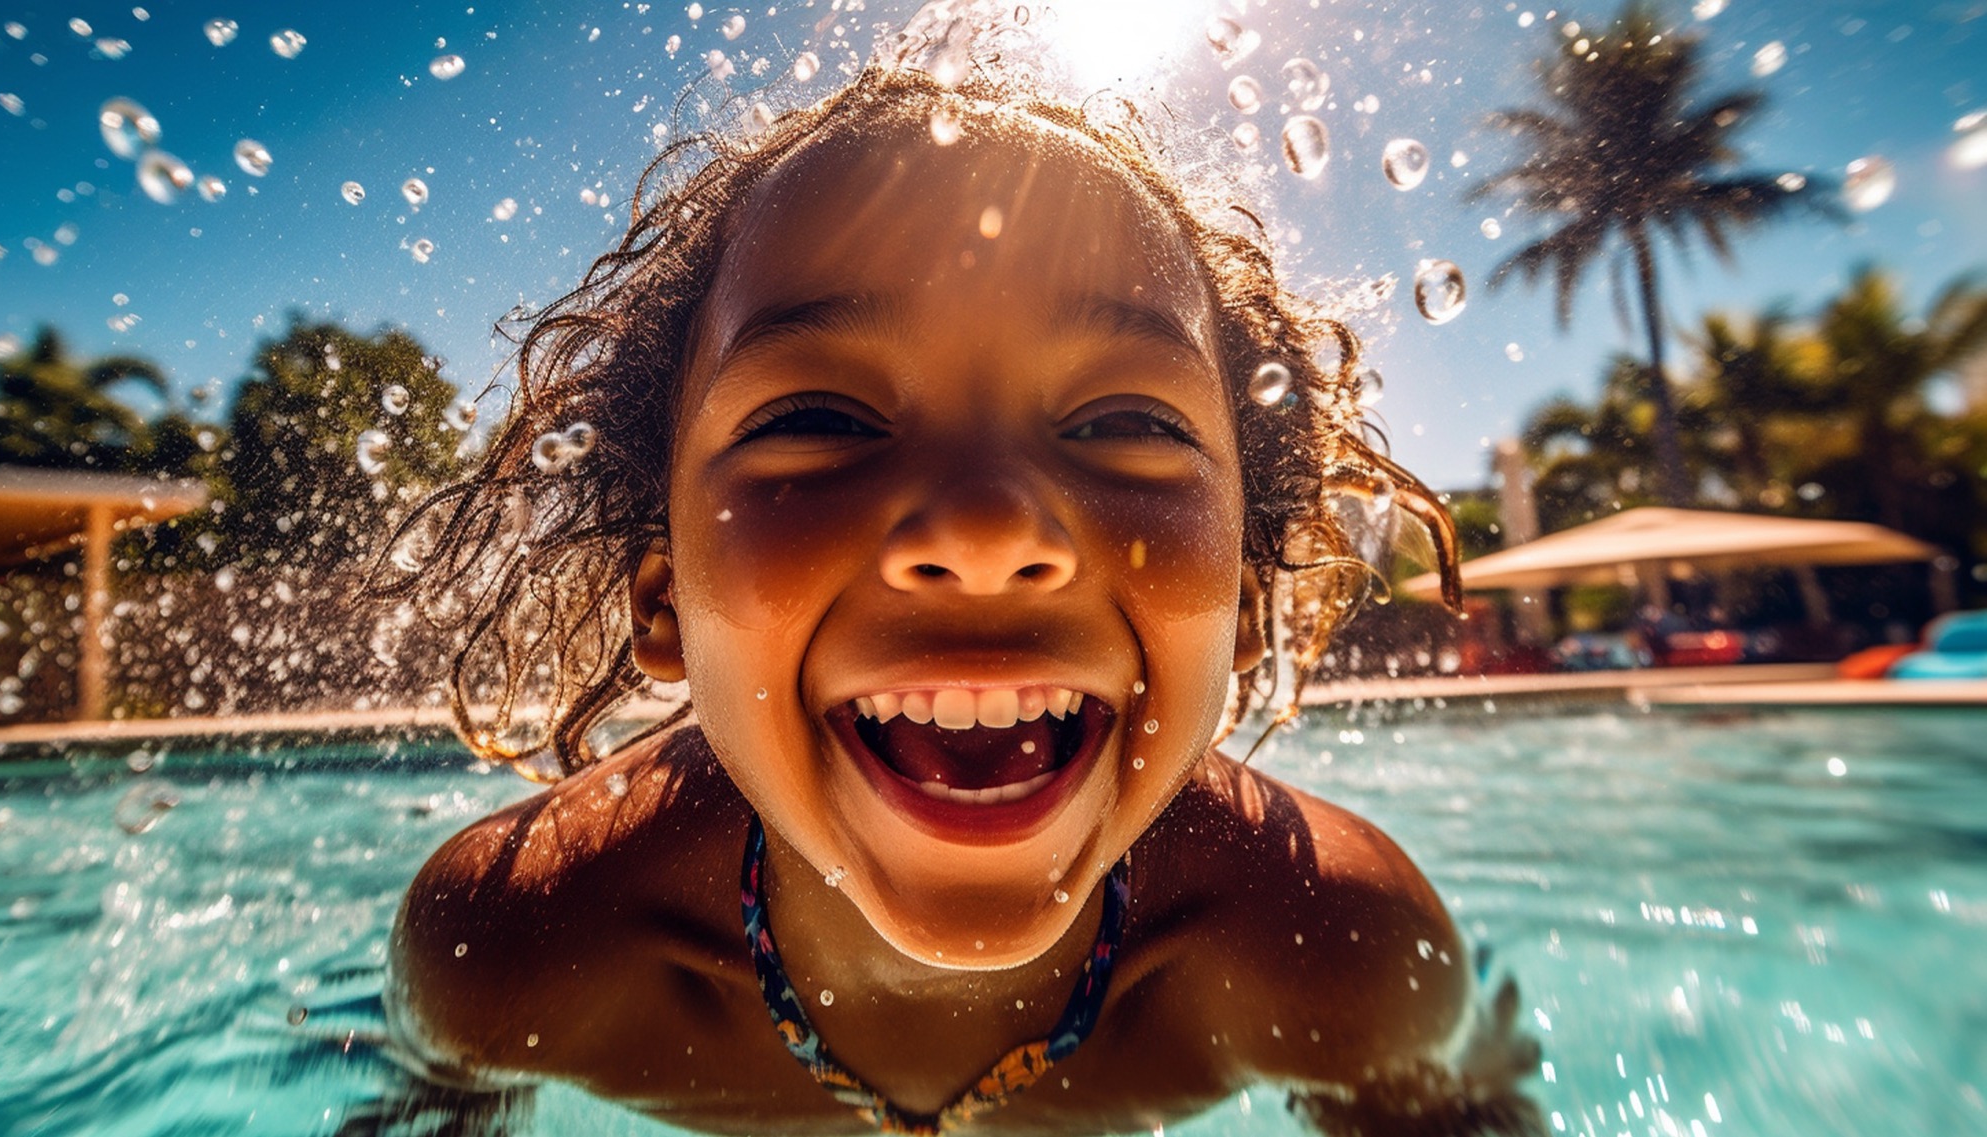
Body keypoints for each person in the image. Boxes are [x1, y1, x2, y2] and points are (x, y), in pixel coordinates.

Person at [374, 52, 1537, 1137]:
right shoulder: (512, 951)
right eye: (818, 420)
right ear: (664, 605)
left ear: (1240, 609)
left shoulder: (1336, 958)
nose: (985, 531)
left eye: (1125, 423)